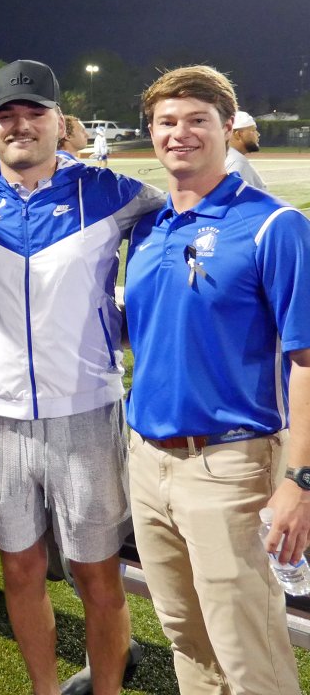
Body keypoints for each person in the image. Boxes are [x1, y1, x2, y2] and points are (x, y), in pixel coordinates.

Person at [0, 60, 166, 695]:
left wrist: (121, 325)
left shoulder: (113, 191)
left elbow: (185, 224)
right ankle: (43, 690)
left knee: (97, 574)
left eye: (34, 112)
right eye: (6, 115)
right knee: (20, 569)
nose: (20, 125)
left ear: (59, 122)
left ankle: (108, 690)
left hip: (87, 411)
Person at [125, 65, 310, 693]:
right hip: (148, 463)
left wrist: (300, 480)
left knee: (248, 650)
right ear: (150, 132)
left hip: (230, 466)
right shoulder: (147, 227)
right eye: (166, 122)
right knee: (187, 638)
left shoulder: (274, 225)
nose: (180, 134)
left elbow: (307, 361)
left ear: (228, 129)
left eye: (197, 120)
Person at [225, 109, 268, 190]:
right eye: (253, 130)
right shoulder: (237, 163)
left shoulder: (224, 157)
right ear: (238, 135)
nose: (258, 134)